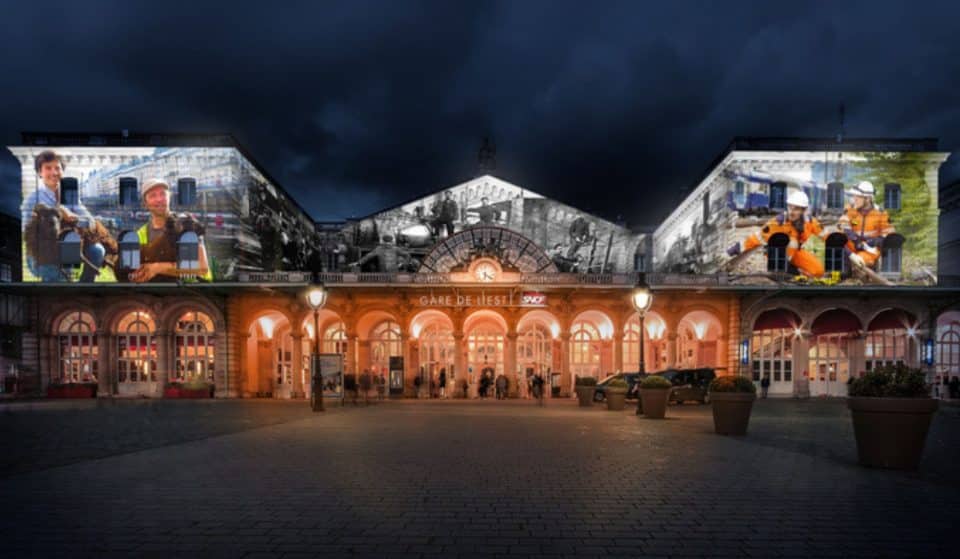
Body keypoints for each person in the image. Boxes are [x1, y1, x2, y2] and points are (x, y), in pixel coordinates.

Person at [21, 150, 113, 282]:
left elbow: (91, 222)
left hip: (69, 247)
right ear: (40, 173)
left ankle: (85, 288)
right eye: (48, 168)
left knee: (97, 251)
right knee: (60, 281)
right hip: (42, 254)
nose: (54, 172)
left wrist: (72, 218)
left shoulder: (71, 197)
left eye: (57, 168)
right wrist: (57, 212)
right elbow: (26, 231)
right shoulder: (32, 199)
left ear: (62, 171)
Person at [726, 190, 826, 278]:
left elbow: (826, 235)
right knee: (792, 242)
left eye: (796, 209)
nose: (791, 212)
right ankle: (779, 271)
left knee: (818, 271)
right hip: (776, 254)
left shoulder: (810, 222)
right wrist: (734, 250)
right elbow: (756, 238)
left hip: (795, 253)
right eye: (790, 207)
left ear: (803, 210)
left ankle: (796, 273)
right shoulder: (777, 223)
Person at [129, 179, 211, 283]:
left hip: (190, 292)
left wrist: (158, 267)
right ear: (145, 203)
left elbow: (202, 268)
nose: (159, 199)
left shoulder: (187, 224)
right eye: (152, 196)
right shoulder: (140, 234)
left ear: (169, 197)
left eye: (162, 194)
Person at [838, 181, 896, 277]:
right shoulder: (849, 209)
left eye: (858, 196)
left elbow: (889, 233)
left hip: (869, 249)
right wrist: (855, 240)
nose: (854, 199)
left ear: (868, 199)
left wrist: (874, 241)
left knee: (860, 262)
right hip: (853, 244)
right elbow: (842, 225)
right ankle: (845, 266)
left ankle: (863, 267)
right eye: (854, 196)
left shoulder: (880, 213)